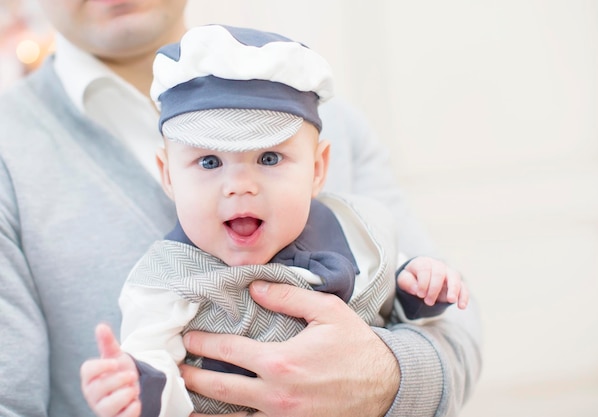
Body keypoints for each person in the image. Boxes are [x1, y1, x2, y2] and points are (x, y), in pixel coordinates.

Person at [0, 1, 482, 416]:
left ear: (318, 167)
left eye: (270, 158)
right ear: (169, 171)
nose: (239, 188)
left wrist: (385, 368)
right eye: (207, 162)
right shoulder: (12, 154)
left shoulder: (316, 107)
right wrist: (140, 389)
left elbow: (453, 332)